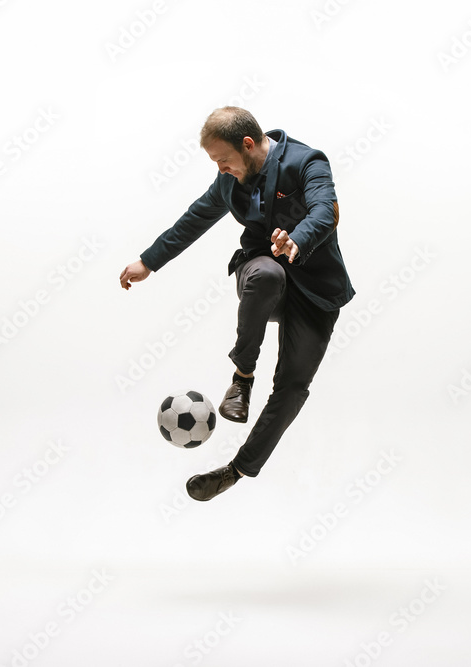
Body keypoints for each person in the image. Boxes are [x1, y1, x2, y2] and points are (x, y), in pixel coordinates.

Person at [119, 106, 354, 501]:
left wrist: (298, 238)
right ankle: (242, 379)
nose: (220, 168)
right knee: (267, 274)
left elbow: (323, 209)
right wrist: (148, 261)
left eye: (222, 160)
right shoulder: (229, 182)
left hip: (316, 287)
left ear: (248, 144)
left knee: (294, 386)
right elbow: (194, 219)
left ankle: (236, 470)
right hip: (263, 275)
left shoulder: (306, 162)